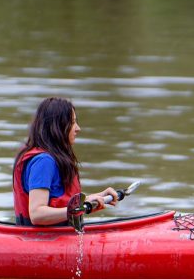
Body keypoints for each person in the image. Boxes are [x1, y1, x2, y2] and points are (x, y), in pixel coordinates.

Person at [12, 97, 118, 226]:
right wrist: (80, 208)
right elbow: (37, 214)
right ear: (57, 126)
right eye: (73, 122)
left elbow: (61, 204)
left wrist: (93, 199)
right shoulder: (44, 162)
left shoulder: (48, 159)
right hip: (42, 241)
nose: (78, 128)